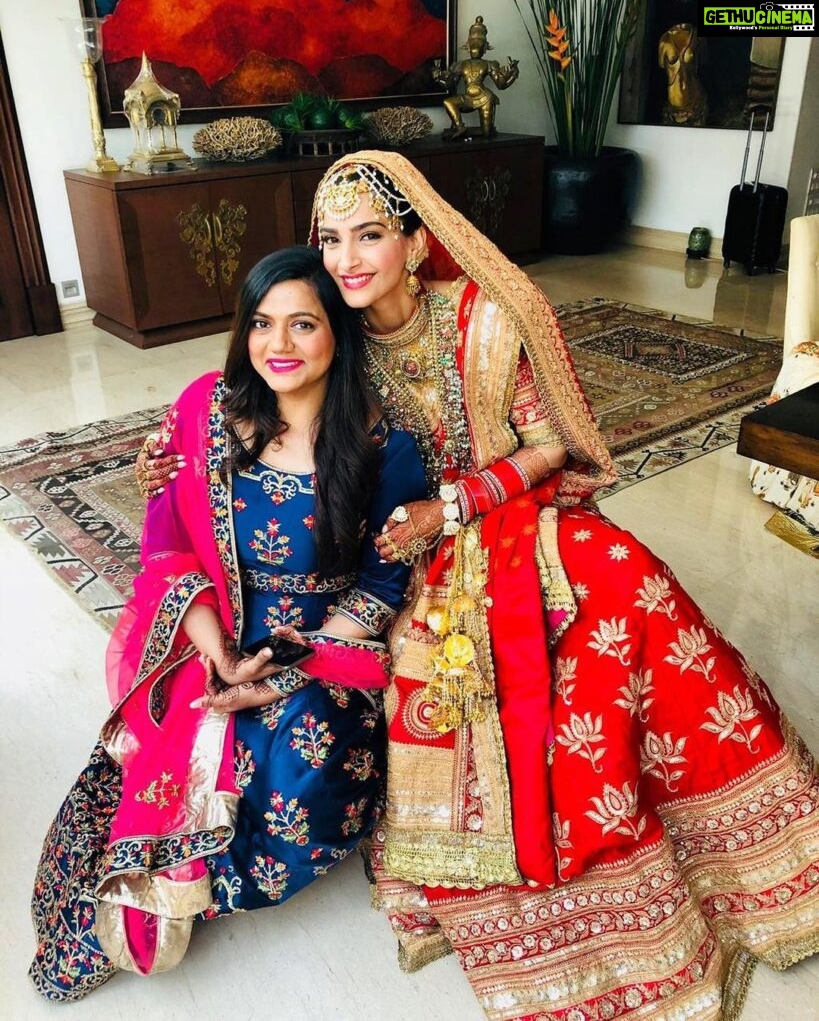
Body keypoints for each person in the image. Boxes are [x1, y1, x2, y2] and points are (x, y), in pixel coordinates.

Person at [139, 153, 819, 1021]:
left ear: (419, 243)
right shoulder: (326, 332)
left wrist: (453, 504)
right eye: (332, 239)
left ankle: (739, 830)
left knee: (622, 580)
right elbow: (247, 413)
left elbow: (548, 445)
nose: (347, 258)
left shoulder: (486, 317)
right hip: (392, 548)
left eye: (370, 236)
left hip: (499, 511)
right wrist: (171, 460)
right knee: (454, 663)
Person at [28, 246, 427, 1002]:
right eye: (261, 324)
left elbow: (382, 582)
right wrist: (215, 651)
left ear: (337, 332)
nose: (278, 345)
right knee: (170, 753)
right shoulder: (206, 411)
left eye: (302, 324)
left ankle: (211, 884)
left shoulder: (384, 447)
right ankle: (166, 882)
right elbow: (168, 544)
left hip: (320, 649)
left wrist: (283, 670)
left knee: (298, 769)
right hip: (212, 633)